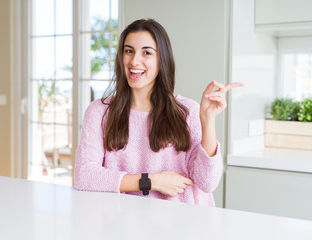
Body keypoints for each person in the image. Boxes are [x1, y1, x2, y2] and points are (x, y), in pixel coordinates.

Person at [74, 19, 243, 207]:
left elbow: (207, 182)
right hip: (125, 223)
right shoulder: (99, 112)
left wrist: (208, 120)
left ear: (162, 60)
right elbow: (85, 176)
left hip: (185, 223)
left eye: (146, 52)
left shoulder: (187, 111)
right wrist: (151, 181)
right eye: (128, 51)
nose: (134, 60)